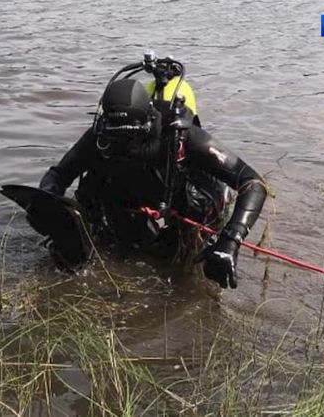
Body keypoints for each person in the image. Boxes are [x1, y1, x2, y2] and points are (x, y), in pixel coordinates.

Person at [35, 53, 267, 289]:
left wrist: (230, 241)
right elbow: (58, 174)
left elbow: (253, 183)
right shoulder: (99, 137)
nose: (123, 147)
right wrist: (49, 208)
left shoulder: (181, 136)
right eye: (116, 139)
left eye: (129, 139)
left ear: (148, 124)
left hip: (178, 199)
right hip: (127, 197)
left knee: (180, 258)